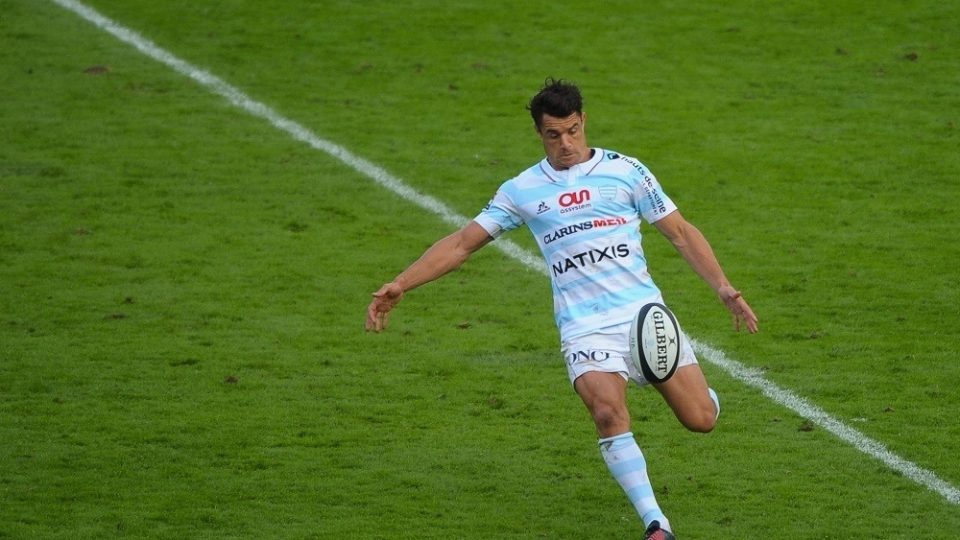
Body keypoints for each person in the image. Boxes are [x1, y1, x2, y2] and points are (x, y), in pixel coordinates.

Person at [365, 78, 758, 540]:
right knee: (608, 414)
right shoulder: (522, 190)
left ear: (583, 122)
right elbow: (461, 243)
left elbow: (680, 232)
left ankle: (703, 396)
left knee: (701, 421)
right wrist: (403, 283)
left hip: (642, 316)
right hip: (584, 327)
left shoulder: (627, 171)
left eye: (572, 131)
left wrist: (723, 287)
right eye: (554, 135)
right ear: (539, 133)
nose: (566, 143)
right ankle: (656, 524)